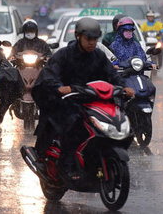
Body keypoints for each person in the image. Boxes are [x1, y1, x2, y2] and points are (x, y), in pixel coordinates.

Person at [30, 18, 133, 178]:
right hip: (69, 101)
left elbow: (112, 75)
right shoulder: (64, 55)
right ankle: (68, 165)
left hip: (93, 99)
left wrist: (123, 87)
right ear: (78, 36)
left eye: (95, 39)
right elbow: (50, 75)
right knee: (73, 125)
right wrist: (60, 88)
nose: (92, 43)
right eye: (88, 39)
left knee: (120, 121)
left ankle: (102, 156)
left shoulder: (99, 55)